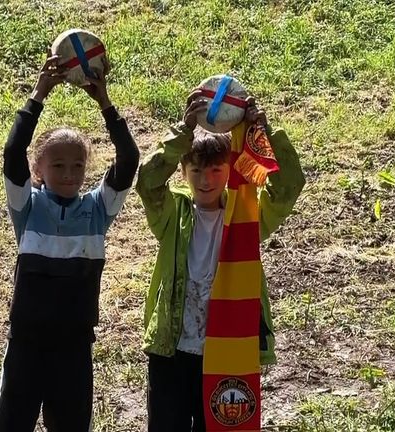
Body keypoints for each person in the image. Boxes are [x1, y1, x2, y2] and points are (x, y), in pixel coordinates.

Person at [136, 89, 305, 431]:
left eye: (216, 169)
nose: (206, 179)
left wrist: (262, 132)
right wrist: (181, 133)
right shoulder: (174, 215)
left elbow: (288, 185)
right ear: (183, 171)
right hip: (172, 350)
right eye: (196, 170)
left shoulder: (246, 213)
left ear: (230, 170)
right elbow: (148, 182)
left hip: (229, 349)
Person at [0, 54, 139, 431]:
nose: (69, 173)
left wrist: (105, 103)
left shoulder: (96, 209)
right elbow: (12, 153)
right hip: (27, 343)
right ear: (38, 169)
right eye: (57, 165)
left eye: (77, 166)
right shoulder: (27, 207)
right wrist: (39, 94)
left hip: (74, 348)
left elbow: (129, 159)